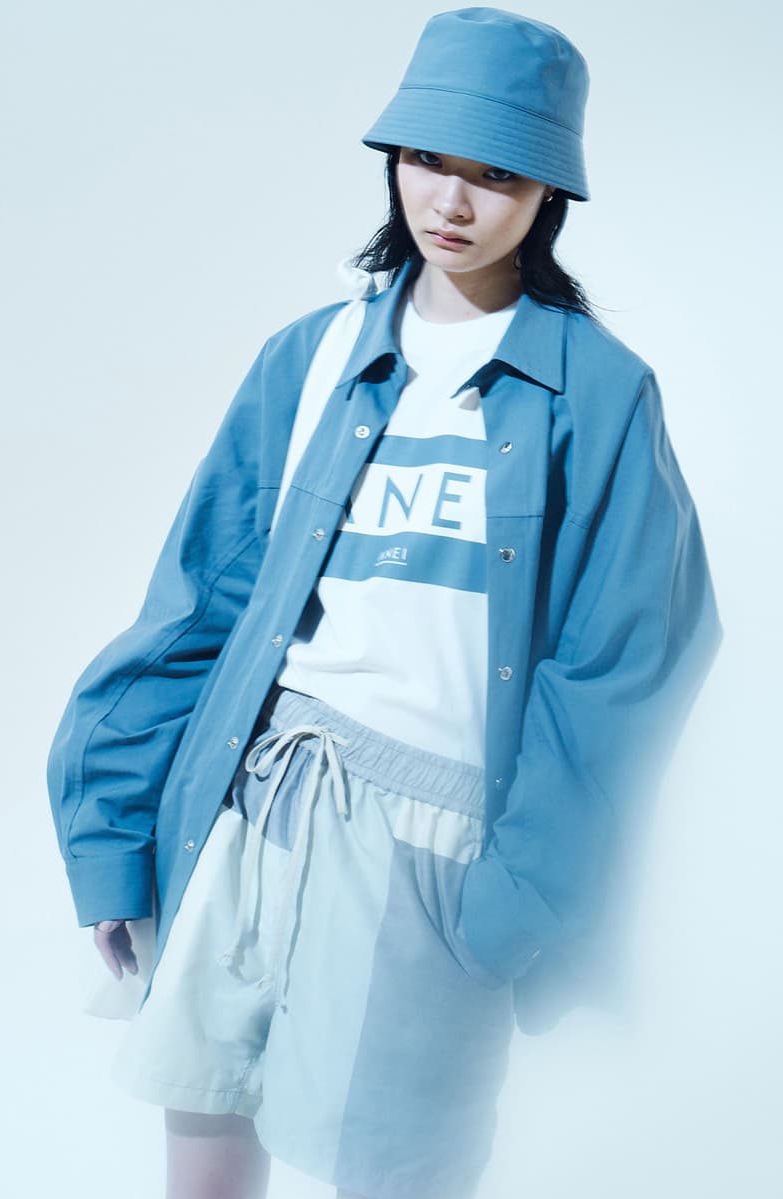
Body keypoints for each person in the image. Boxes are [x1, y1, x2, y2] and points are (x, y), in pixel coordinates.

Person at [47, 9, 723, 1199]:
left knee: (403, 1170)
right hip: (249, 798)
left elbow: (624, 659)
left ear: (546, 192)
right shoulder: (306, 357)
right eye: (425, 160)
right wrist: (117, 827)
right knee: (204, 1141)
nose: (449, 201)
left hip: (433, 844)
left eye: (493, 173)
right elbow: (198, 600)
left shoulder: (597, 392)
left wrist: (520, 892)